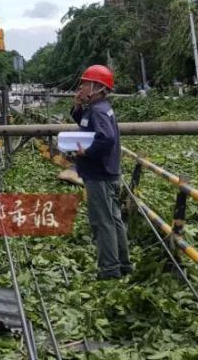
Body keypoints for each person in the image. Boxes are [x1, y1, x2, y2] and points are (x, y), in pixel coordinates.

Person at [71, 64, 132, 280]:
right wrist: (77, 107)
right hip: (105, 173)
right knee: (114, 219)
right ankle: (123, 264)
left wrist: (86, 152)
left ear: (97, 87)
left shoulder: (98, 110)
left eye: (85, 84)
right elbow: (87, 125)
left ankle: (109, 269)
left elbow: (106, 138)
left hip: (100, 174)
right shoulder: (98, 108)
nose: (81, 87)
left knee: (102, 222)